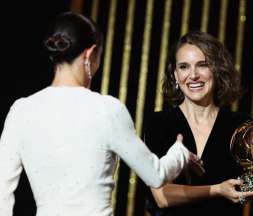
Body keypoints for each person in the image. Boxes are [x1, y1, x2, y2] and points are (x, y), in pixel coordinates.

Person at [0, 12, 202, 216]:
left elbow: (2, 192)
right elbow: (156, 175)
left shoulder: (21, 110)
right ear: (90, 54)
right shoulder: (107, 109)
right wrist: (180, 153)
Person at [144, 31, 253, 216]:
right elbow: (161, 195)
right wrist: (217, 190)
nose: (193, 75)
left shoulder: (242, 125)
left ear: (217, 69)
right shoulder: (158, 123)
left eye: (202, 65)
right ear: (175, 74)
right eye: (184, 67)